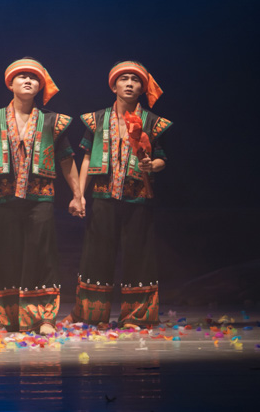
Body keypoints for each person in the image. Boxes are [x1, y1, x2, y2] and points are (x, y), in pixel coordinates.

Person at [0, 58, 79, 334]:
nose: (27, 81)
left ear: (40, 86)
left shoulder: (52, 121)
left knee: (40, 255)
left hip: (39, 198)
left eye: (33, 78)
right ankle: (4, 317)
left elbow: (66, 160)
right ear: (10, 84)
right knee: (4, 255)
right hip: (3, 197)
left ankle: (43, 317)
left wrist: (77, 195)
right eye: (21, 76)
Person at [69, 61, 171, 329]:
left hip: (138, 198)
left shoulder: (152, 122)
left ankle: (137, 316)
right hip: (103, 197)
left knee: (139, 255)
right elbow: (87, 157)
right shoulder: (97, 119)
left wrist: (152, 165)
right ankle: (91, 315)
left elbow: (161, 158)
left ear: (142, 88)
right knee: (96, 254)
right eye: (124, 79)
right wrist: (79, 195)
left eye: (135, 80)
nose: (129, 84)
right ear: (114, 86)